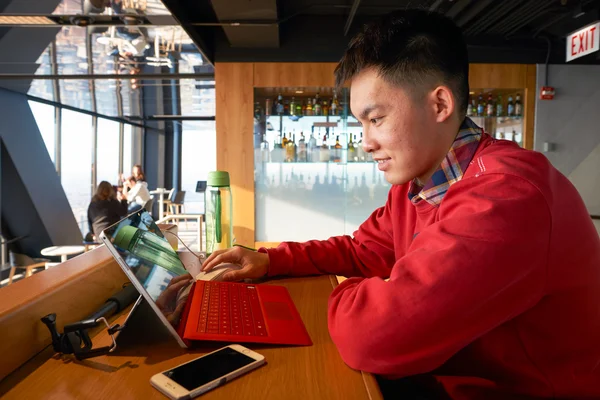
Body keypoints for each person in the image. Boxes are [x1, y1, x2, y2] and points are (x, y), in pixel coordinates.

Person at [201, 9, 600, 399]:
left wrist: (358, 295)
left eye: (376, 119)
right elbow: (364, 250)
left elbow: (374, 337)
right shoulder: (419, 183)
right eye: (361, 123)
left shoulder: (506, 195)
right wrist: (273, 261)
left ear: (440, 104)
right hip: (442, 376)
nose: (366, 141)